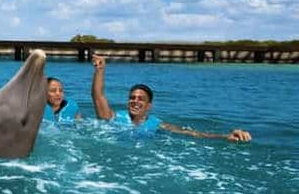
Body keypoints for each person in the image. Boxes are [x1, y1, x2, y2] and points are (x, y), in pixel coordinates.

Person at [91, 55, 251, 141]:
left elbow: (195, 134)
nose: (135, 101)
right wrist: (100, 69)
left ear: (149, 106)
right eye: (132, 97)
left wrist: (225, 136)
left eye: (141, 99)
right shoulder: (113, 118)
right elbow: (98, 96)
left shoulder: (157, 124)